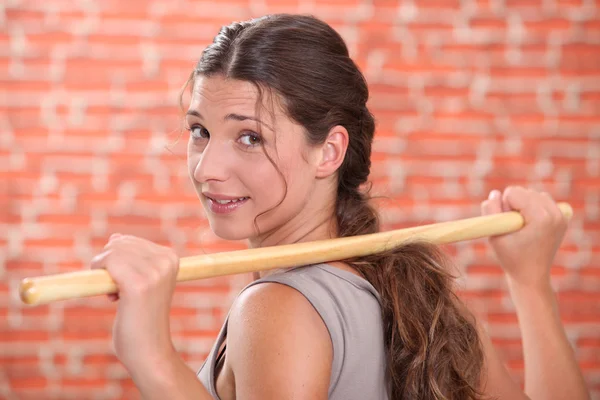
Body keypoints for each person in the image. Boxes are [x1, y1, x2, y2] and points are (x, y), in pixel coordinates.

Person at [90, 14, 590, 400]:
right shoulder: (421, 295)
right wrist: (530, 281)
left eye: (249, 136)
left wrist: (152, 355)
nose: (205, 169)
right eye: (200, 131)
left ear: (328, 151)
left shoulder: (276, 305)